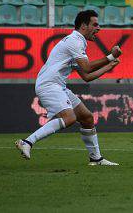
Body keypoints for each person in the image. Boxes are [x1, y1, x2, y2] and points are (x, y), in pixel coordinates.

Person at [15, 11, 121, 166]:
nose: (99, 28)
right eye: (95, 24)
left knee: (86, 117)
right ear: (84, 26)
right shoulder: (74, 41)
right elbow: (87, 67)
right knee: (70, 117)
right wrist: (110, 57)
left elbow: (86, 76)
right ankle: (27, 142)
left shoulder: (78, 43)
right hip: (49, 84)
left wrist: (109, 65)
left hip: (58, 85)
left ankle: (96, 159)